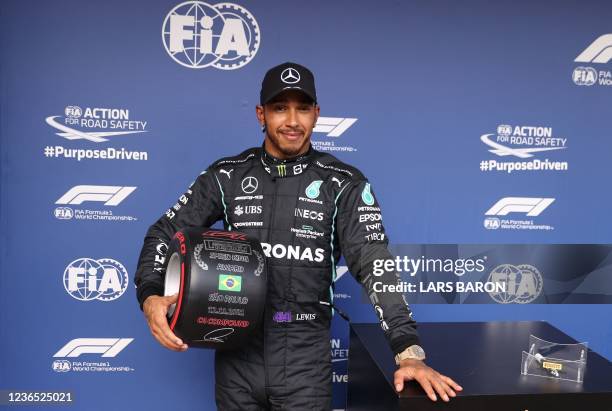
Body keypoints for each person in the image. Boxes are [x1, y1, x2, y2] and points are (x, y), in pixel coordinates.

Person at [135, 62, 462, 410]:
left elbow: (374, 263)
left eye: (302, 108)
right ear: (261, 113)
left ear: (316, 114)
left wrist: (407, 351)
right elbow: (163, 232)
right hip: (236, 361)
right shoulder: (226, 175)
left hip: (305, 362)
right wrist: (151, 295)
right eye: (280, 108)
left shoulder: (343, 183)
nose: (292, 121)